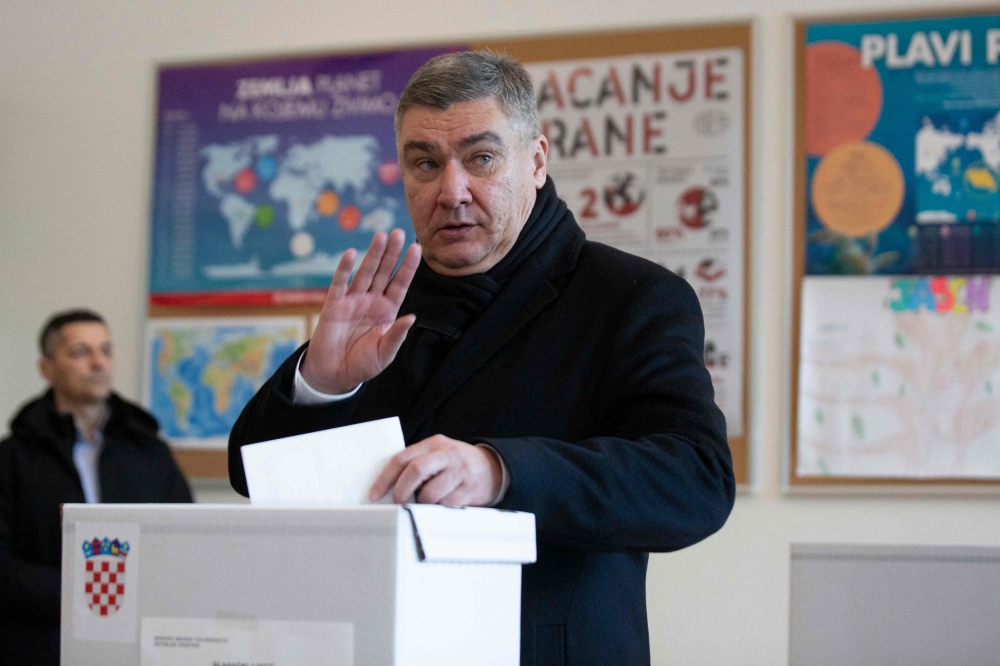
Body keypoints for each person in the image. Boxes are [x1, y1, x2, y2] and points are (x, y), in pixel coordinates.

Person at [229, 51, 734, 666]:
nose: (451, 191)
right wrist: (322, 385)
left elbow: (695, 482)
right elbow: (250, 476)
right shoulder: (383, 302)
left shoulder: (630, 297)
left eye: (482, 158)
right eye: (425, 163)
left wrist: (499, 472)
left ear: (537, 162)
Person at [0, 310, 192, 664]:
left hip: (140, 647)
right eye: (80, 352)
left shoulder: (149, 450)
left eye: (105, 350)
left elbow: (185, 541)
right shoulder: (12, 457)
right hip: (42, 645)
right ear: (46, 368)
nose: (98, 362)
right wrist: (79, 594)